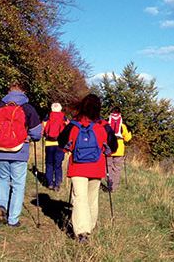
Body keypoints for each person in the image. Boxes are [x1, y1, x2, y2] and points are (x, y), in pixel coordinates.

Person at [0, 82, 42, 227]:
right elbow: (36, 133)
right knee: (18, 184)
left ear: (8, 91)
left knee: (2, 178)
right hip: (19, 151)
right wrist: (27, 137)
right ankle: (13, 219)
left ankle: (1, 207)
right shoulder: (28, 108)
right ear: (24, 92)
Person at [59, 94, 117, 243]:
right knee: (92, 198)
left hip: (77, 167)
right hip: (96, 167)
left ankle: (82, 232)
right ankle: (89, 228)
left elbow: (62, 143)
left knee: (80, 198)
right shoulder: (104, 126)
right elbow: (113, 147)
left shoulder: (74, 125)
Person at [42, 102, 68, 191]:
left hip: (49, 143)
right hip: (60, 144)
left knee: (49, 163)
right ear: (60, 109)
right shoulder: (64, 117)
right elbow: (67, 129)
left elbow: (43, 129)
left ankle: (49, 183)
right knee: (58, 164)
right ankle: (57, 183)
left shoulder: (48, 116)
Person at [107, 107, 132, 192]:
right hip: (119, 149)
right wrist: (129, 131)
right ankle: (113, 188)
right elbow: (127, 138)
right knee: (117, 169)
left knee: (109, 168)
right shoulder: (123, 126)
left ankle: (109, 185)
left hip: (109, 149)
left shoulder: (107, 124)